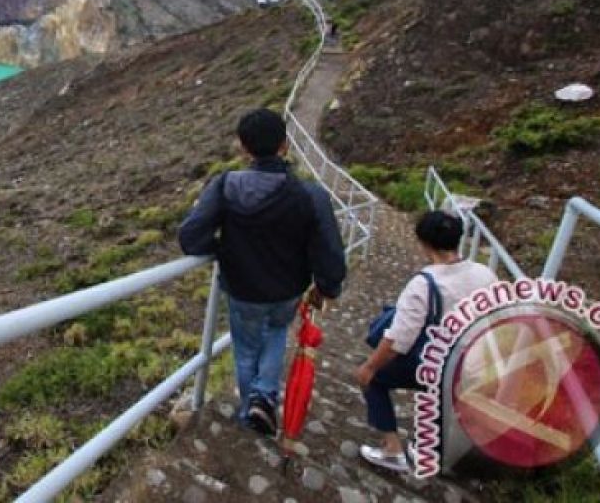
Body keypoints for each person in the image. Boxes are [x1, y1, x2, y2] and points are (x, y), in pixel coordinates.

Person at [179, 108, 346, 436]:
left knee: (246, 349)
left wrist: (221, 250)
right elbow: (330, 253)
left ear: (244, 147)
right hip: (287, 290)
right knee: (276, 334)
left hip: (243, 290)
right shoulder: (311, 195)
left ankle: (251, 409)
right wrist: (327, 287)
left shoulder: (226, 185)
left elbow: (190, 237)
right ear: (285, 145)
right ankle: (264, 397)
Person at [354, 210, 497, 473]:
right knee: (447, 391)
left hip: (433, 365)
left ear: (424, 243)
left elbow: (399, 340)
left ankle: (392, 449)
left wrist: (370, 366)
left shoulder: (424, 284)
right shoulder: (485, 275)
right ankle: (430, 449)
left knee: (374, 379)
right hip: (470, 366)